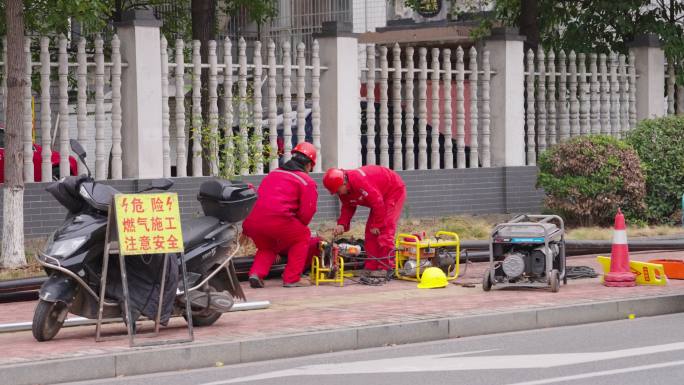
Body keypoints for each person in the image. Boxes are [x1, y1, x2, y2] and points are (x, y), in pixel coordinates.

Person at [243, 142, 318, 288]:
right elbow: (307, 212)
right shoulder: (306, 181)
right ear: (309, 164)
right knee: (303, 235)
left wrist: (246, 229)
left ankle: (256, 274)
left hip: (252, 221)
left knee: (268, 246)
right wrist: (297, 226)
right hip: (277, 220)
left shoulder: (274, 173)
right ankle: (292, 278)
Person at [323, 165, 406, 278]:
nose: (338, 194)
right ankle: (371, 266)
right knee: (370, 233)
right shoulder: (344, 190)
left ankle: (387, 268)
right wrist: (342, 224)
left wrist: (377, 224)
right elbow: (348, 206)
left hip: (393, 190)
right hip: (379, 198)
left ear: (343, 183)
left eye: (338, 191)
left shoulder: (358, 180)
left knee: (384, 230)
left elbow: (376, 201)